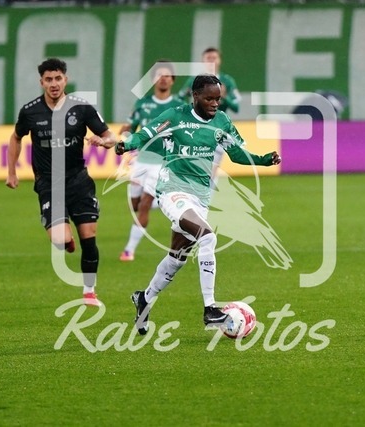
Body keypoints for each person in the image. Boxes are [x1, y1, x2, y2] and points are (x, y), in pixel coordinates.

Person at [95, 74, 281, 335]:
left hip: (200, 196)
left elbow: (237, 153)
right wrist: (125, 145)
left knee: (177, 258)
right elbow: (146, 134)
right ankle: (210, 309)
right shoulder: (176, 116)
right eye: (209, 98)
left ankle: (144, 299)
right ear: (195, 96)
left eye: (218, 99)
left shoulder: (221, 121)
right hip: (172, 190)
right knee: (208, 237)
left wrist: (263, 160)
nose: (215, 103)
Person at [5, 58, 117, 307]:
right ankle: (65, 237)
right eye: (48, 79)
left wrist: (104, 142)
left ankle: (89, 292)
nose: (53, 84)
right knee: (59, 239)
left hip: (78, 181)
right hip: (48, 183)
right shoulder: (30, 111)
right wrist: (11, 172)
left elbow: (110, 136)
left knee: (89, 236)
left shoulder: (82, 108)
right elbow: (15, 138)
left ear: (66, 80)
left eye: (58, 78)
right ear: (41, 82)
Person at [118, 60, 185, 262]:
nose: (163, 79)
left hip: (162, 163)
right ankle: (160, 201)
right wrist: (125, 134)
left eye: (167, 75)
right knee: (135, 204)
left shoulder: (178, 106)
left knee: (144, 205)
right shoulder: (142, 104)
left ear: (172, 80)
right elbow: (130, 128)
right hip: (141, 161)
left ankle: (128, 250)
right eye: (159, 75)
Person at [178, 47, 241, 184]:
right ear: (203, 61)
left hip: (217, 129)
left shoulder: (227, 81)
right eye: (208, 58)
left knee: (209, 172)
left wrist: (225, 97)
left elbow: (236, 107)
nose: (211, 61)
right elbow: (179, 98)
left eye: (214, 58)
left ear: (220, 60)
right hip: (196, 128)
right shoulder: (194, 81)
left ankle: (202, 195)